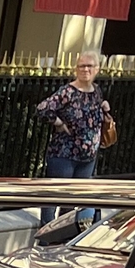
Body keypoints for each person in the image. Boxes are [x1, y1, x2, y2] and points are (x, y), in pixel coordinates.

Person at [33, 50, 114, 239]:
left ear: (97, 69)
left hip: (87, 157)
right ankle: (46, 237)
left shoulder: (96, 91)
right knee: (55, 196)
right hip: (64, 154)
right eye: (81, 66)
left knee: (72, 200)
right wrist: (59, 124)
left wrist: (105, 108)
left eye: (89, 66)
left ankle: (61, 238)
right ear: (76, 69)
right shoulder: (67, 92)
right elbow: (43, 108)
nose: (85, 70)